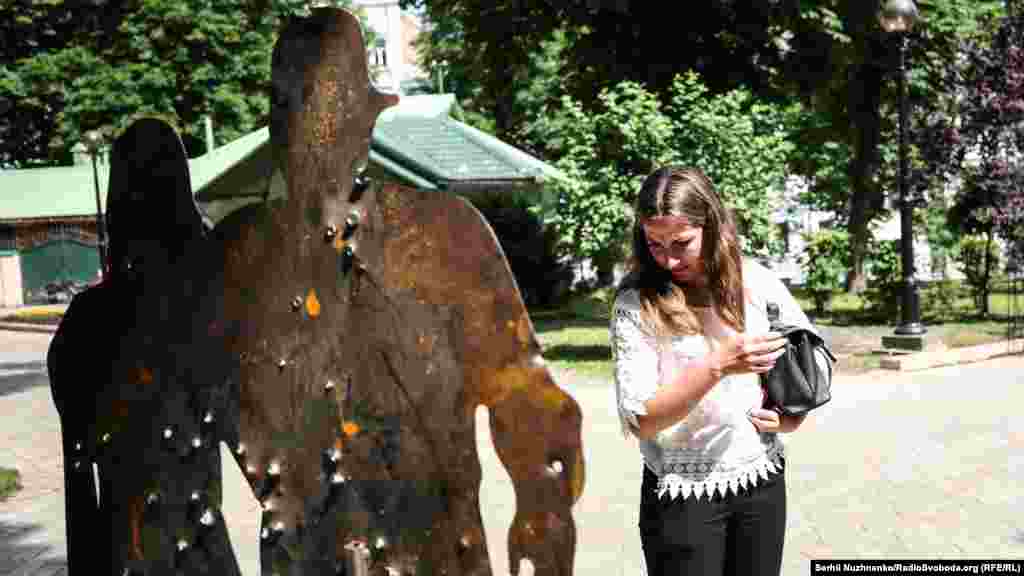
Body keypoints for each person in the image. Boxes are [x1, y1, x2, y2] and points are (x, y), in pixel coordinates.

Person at [611, 166, 823, 576]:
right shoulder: (637, 304)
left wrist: (793, 416)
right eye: (655, 244)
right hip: (681, 497)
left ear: (712, 225)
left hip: (760, 482)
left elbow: (807, 354)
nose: (668, 258)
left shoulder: (757, 283)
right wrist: (718, 364)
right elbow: (642, 419)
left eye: (681, 243)